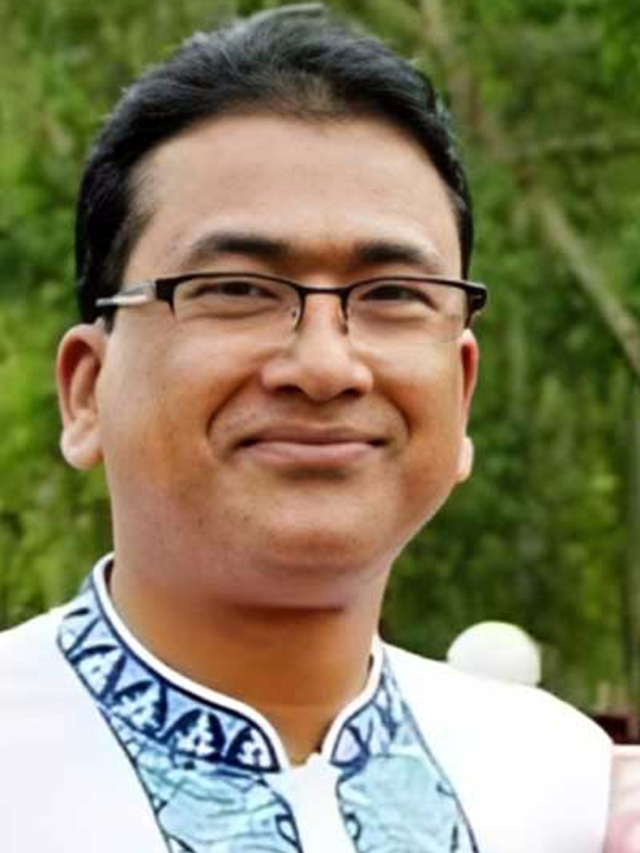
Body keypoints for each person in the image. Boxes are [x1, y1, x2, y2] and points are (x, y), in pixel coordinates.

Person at [0, 5, 611, 852]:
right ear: (85, 391)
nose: (326, 366)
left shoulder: (565, 789)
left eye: (392, 294)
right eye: (237, 289)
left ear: (463, 392)